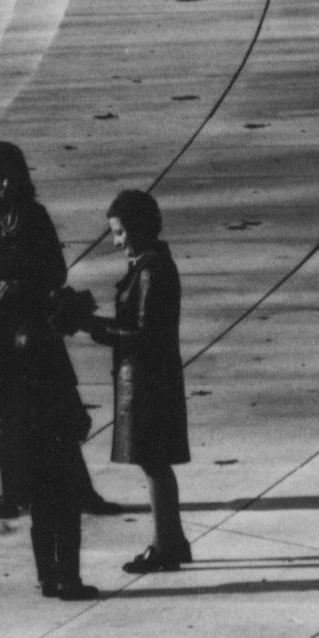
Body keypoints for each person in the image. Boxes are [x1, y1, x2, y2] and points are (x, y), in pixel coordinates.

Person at [0, 141, 104, 521]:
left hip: (31, 329)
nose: (2, 185)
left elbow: (56, 270)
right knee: (2, 418)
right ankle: (8, 492)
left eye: (8, 177)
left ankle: (77, 489)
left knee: (55, 409)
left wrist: (21, 284)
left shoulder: (33, 216)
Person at [85, 188, 193, 574]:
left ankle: (165, 545)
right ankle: (173, 539)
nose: (116, 241)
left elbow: (145, 334)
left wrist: (98, 329)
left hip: (148, 380)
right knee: (155, 462)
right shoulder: (151, 264)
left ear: (137, 228)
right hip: (151, 377)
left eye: (119, 232)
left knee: (154, 463)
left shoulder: (150, 270)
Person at [0, 292, 101, 600]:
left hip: (27, 439)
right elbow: (63, 391)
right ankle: (69, 578)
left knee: (42, 514)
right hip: (53, 439)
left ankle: (48, 577)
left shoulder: (24, 335)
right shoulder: (47, 342)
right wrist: (78, 419)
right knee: (67, 513)